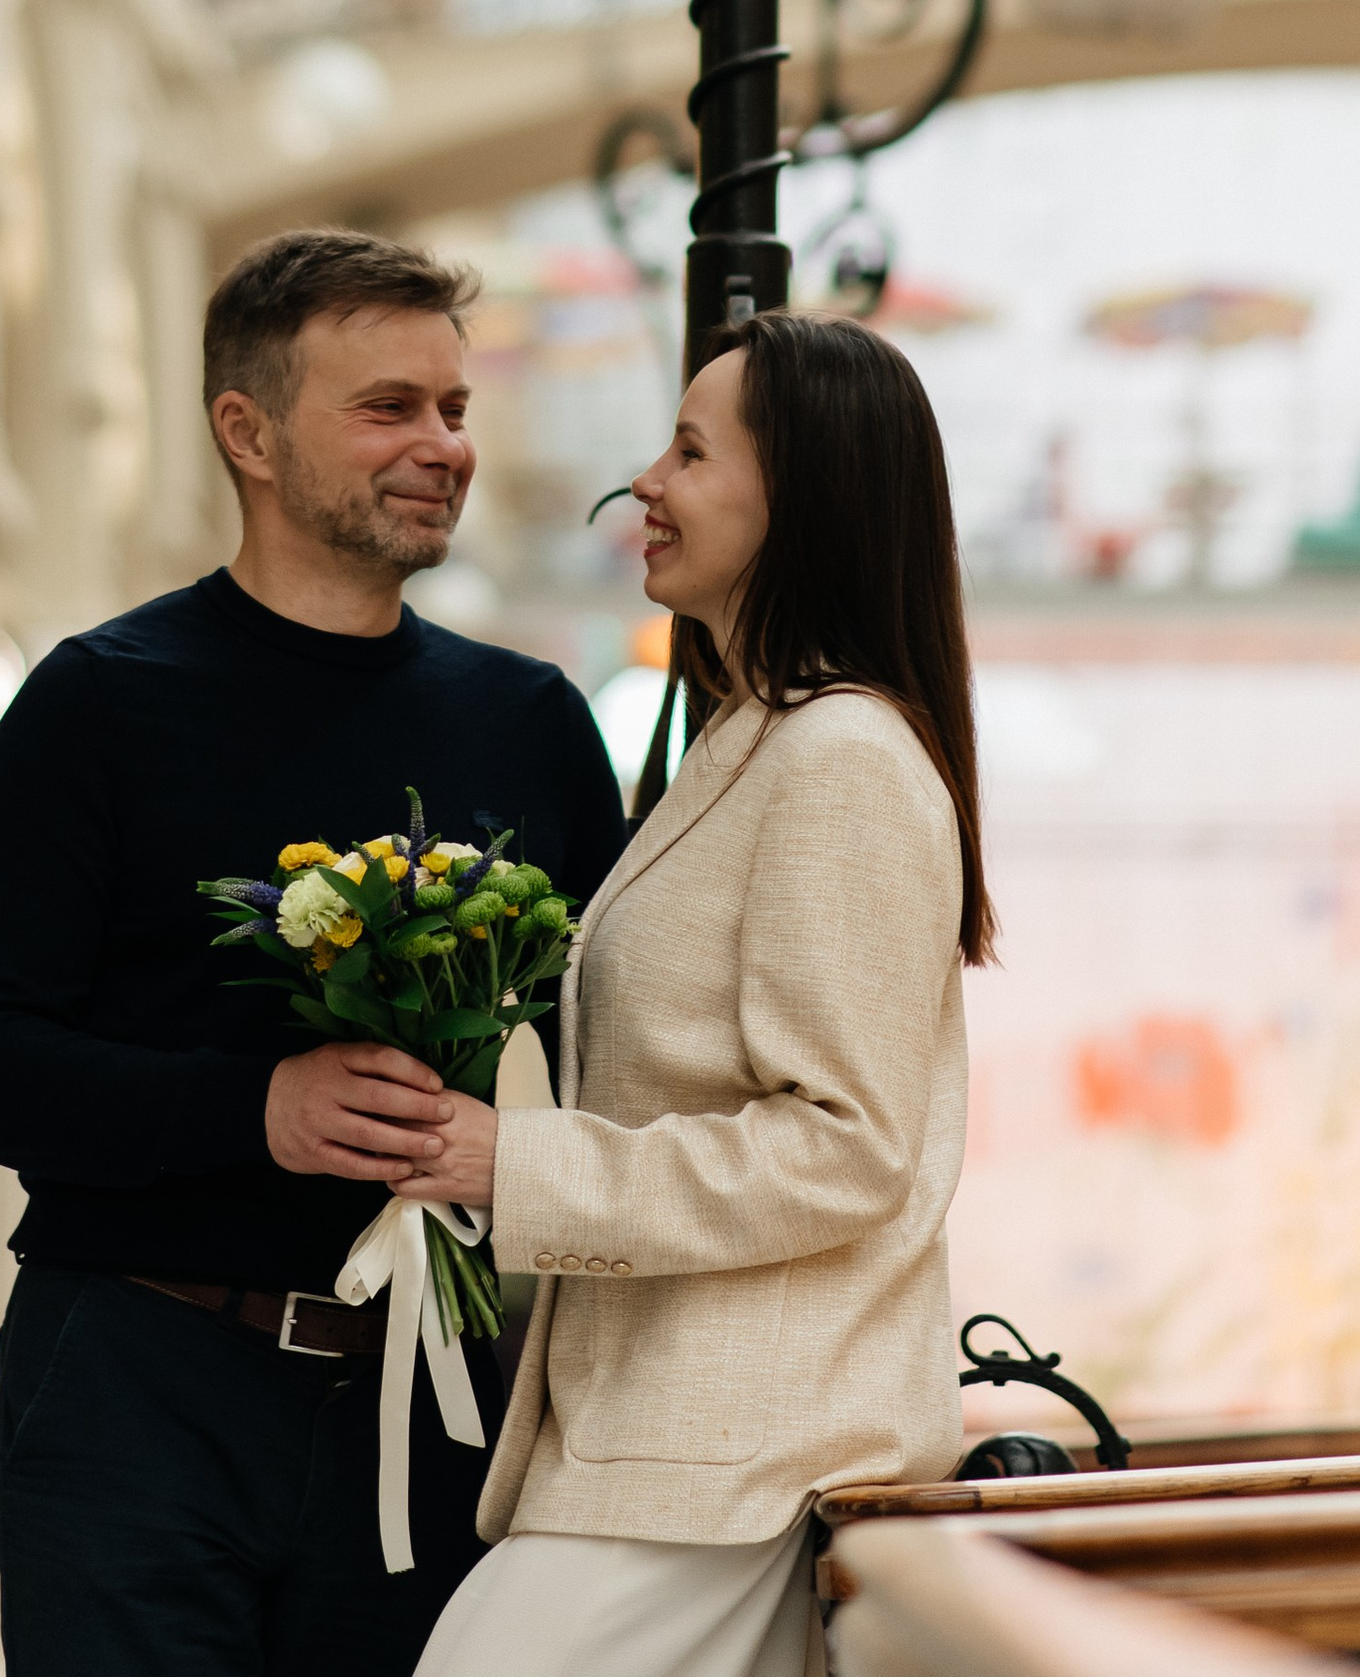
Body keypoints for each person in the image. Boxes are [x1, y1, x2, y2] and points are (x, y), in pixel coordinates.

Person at [0, 226, 627, 1677]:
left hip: (434, 1410)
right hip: (137, 1385)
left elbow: (602, 1063)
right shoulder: (97, 705)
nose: (442, 445)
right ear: (245, 431)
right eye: (389, 407)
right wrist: (258, 1109)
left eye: (455, 409)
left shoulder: (532, 726)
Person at [398, 311, 988, 1677]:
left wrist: (519, 1168)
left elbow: (845, 1148)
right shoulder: (753, 741)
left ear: (803, 497)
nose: (644, 485)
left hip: (731, 1459)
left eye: (688, 449)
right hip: (671, 1449)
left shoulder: (837, 757)